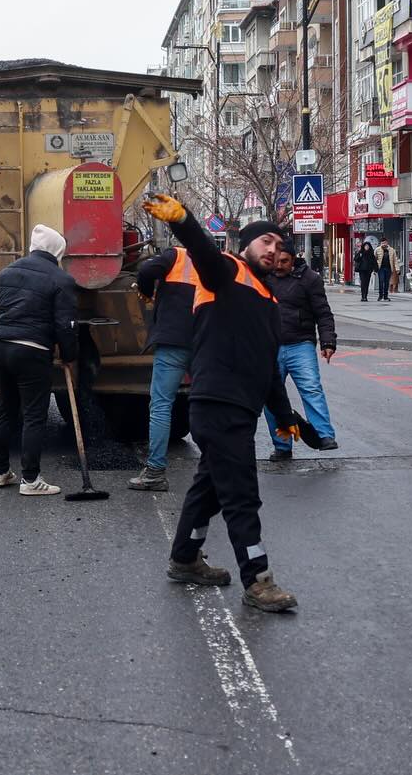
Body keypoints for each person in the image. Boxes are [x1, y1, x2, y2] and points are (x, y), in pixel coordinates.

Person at [142, 196, 301, 613]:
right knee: (242, 496)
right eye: (264, 241)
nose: (273, 250)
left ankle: (185, 557)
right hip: (219, 404)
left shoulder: (266, 298)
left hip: (238, 408)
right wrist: (183, 221)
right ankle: (259, 580)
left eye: (278, 246)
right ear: (245, 244)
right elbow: (203, 253)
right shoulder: (227, 272)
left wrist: (283, 416)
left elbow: (267, 367)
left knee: (210, 489)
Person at [0, 224, 78, 496]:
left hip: (1, 348)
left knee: (6, 410)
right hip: (32, 350)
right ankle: (30, 480)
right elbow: (65, 325)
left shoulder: (6, 273)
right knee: (34, 415)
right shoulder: (61, 279)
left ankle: (0, 472)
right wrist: (69, 355)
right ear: (57, 251)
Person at [129, 242, 199, 491]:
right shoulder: (221, 262)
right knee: (212, 403)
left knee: (161, 405)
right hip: (204, 341)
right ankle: (223, 467)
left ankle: (155, 472)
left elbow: (146, 271)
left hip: (172, 341)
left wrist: (148, 293)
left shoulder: (177, 255)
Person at [263, 247, 339, 460]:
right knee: (271, 397)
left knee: (311, 388)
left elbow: (323, 312)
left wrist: (328, 341)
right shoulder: (262, 276)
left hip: (300, 343)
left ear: (293, 259)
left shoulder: (310, 279)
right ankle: (282, 446)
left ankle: (324, 436)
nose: (279, 266)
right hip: (270, 346)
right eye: (276, 261)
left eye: (284, 261)